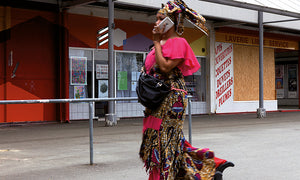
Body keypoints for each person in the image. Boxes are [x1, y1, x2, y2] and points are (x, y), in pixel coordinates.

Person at [139, 0, 215, 179]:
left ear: (170, 22)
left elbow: (165, 67)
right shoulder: (160, 43)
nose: (156, 22)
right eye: (156, 19)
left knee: (164, 142)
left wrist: (156, 42)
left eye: (160, 19)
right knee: (155, 140)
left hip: (170, 98)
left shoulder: (179, 42)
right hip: (155, 99)